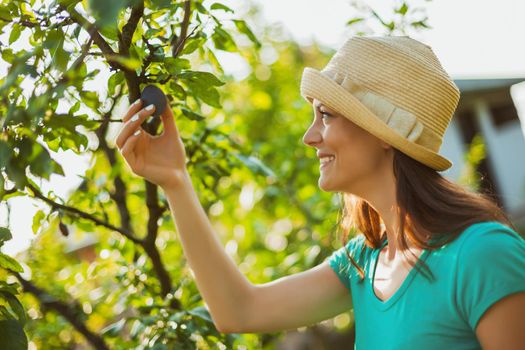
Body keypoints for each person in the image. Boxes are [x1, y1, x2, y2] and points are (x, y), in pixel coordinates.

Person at [115, 35, 525, 348]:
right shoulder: (363, 263)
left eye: (326, 115)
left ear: (385, 132)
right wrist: (175, 179)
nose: (310, 137)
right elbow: (237, 310)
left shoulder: (483, 254)